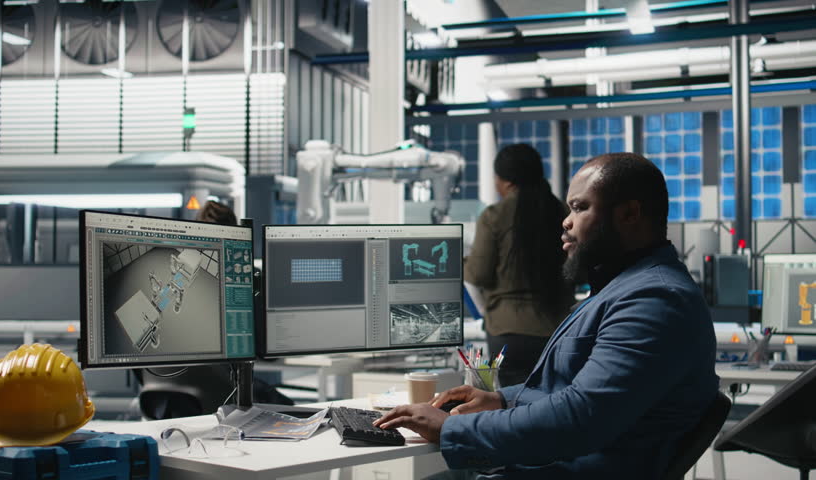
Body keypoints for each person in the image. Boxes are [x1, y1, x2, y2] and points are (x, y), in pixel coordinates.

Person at [375, 153, 719, 479]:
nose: (566, 221)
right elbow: (567, 391)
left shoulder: (654, 300)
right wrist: (501, 399)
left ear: (629, 214)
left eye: (580, 207)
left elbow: (580, 416)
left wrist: (452, 428)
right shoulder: (621, 289)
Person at [136, 200, 293, 419]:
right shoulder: (244, 278)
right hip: (223, 395)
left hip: (164, 400)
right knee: (289, 407)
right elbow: (265, 349)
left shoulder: (168, 281)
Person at [464, 144, 573, 386]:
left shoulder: (494, 216)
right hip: (559, 329)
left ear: (506, 181)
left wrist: (484, 313)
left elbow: (477, 275)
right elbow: (579, 270)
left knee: (514, 402)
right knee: (555, 399)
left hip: (509, 332)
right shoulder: (562, 213)